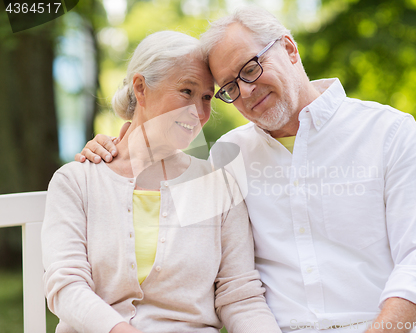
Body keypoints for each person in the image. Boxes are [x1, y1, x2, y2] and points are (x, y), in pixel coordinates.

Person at [78, 7, 416, 333]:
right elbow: (174, 257)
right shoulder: (227, 155)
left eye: (251, 69)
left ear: (289, 49)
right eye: (227, 87)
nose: (245, 92)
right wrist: (115, 147)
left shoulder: (388, 132)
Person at [42, 30, 282, 333]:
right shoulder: (78, 181)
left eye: (207, 97)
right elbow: (66, 284)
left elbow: (240, 297)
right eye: (186, 91)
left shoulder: (217, 186)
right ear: (141, 88)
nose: (198, 111)